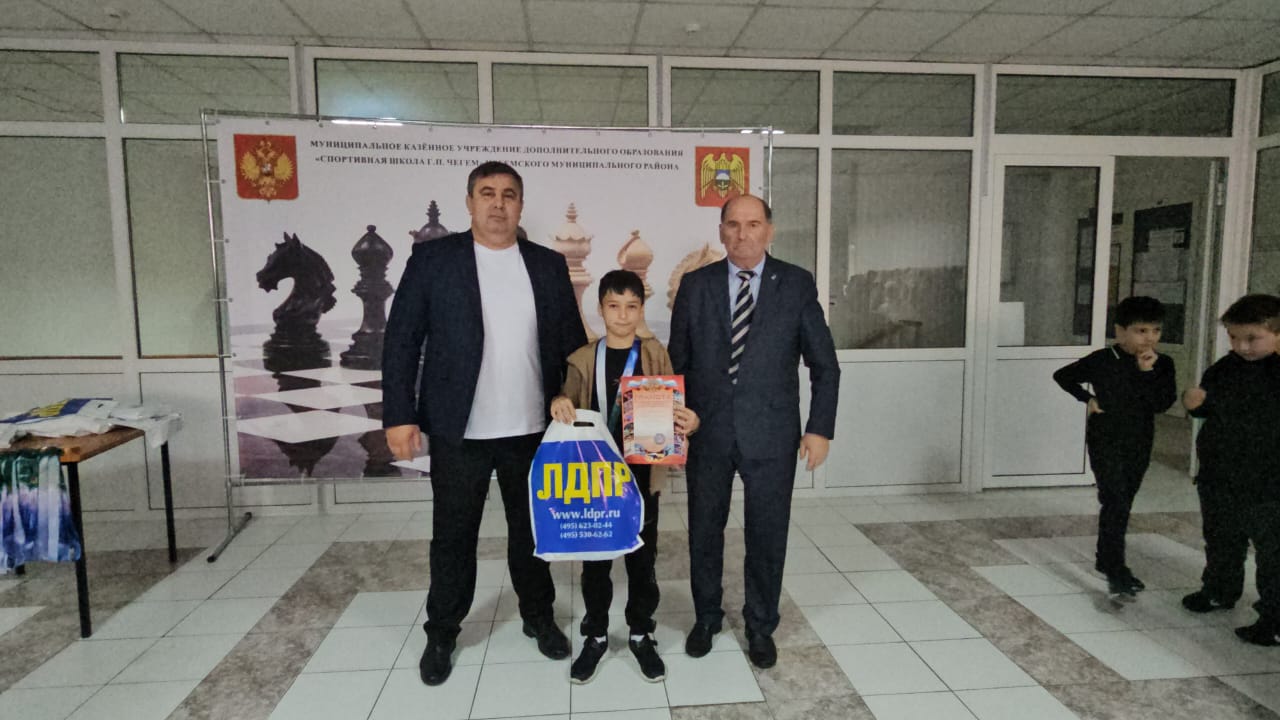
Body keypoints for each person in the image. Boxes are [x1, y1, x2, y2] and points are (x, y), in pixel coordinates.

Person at [381, 161, 587, 685]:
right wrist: (400, 415)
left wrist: (570, 398)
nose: (498, 203)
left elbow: (570, 343)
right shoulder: (434, 260)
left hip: (532, 429)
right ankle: (442, 632)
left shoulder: (547, 264)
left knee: (533, 533)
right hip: (461, 431)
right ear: (470, 202)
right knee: (453, 537)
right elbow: (401, 341)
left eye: (509, 195)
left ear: (521, 205)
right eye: (488, 193)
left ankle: (538, 616)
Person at [668, 194, 840, 669]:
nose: (742, 234)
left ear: (770, 230)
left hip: (772, 433)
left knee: (767, 534)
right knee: (704, 530)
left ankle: (760, 625)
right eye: (733, 224)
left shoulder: (796, 284)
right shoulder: (696, 285)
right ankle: (707, 618)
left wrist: (819, 429)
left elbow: (825, 365)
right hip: (707, 431)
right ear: (721, 231)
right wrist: (674, 426)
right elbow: (676, 364)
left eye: (753, 224)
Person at [550, 270, 700, 683]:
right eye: (613, 306)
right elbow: (565, 402)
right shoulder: (583, 359)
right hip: (595, 478)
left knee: (641, 559)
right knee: (596, 561)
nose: (622, 315)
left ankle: (640, 632)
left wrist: (687, 421)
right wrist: (559, 401)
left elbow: (676, 407)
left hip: (641, 476)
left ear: (641, 310)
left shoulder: (654, 354)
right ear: (600, 309)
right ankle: (596, 634)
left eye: (631, 306)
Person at [1052, 296, 1176, 599]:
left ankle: (1106, 558)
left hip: (1139, 438)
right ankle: (1115, 568)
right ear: (1120, 331)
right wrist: (1087, 398)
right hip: (1105, 436)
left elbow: (1162, 403)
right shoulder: (1103, 359)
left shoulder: (1163, 364)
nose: (1149, 338)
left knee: (1123, 501)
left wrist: (1147, 373)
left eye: (1156, 331)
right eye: (1141, 331)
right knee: (1115, 499)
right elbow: (1063, 376)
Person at [1180, 294, 1280, 646]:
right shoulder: (1225, 368)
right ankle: (1219, 591)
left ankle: (1274, 618)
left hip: (1268, 482)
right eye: (1234, 337)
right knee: (1221, 538)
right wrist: (1193, 404)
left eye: (1253, 338)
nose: (1242, 346)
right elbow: (1206, 407)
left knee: (1273, 552)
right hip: (1219, 474)